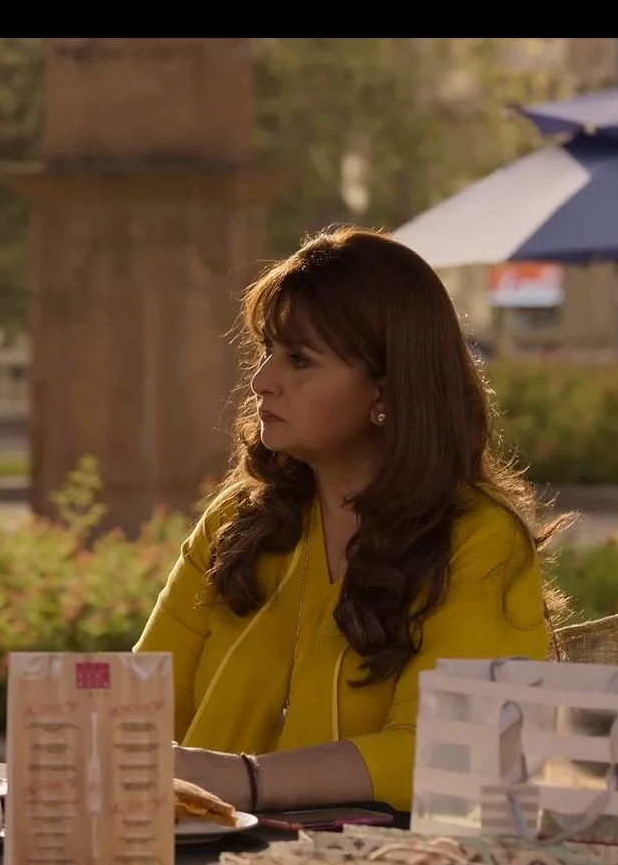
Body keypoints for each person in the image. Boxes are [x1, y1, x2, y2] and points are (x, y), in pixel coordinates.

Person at [134, 226, 569, 816]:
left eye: (299, 359)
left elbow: (453, 751)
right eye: (266, 351)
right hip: (193, 853)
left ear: (384, 391)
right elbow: (140, 705)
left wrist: (245, 781)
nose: (262, 381)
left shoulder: (479, 540)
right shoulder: (238, 521)